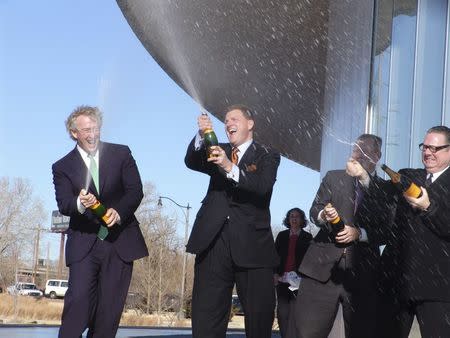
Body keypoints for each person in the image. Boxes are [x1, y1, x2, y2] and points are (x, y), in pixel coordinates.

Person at [185, 104, 281, 338]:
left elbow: (261, 187)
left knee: (259, 317)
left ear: (250, 124)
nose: (228, 123)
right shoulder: (218, 148)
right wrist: (201, 134)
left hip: (253, 245)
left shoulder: (267, 154)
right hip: (213, 240)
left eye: (234, 119)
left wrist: (228, 166)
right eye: (226, 120)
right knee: (206, 314)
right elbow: (192, 161)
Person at [52, 105, 148, 338]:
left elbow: (135, 191)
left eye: (95, 128)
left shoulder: (121, 153)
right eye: (86, 130)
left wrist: (119, 212)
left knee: (109, 312)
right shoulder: (62, 167)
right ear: (74, 133)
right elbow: (65, 204)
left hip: (119, 243)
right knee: (78, 304)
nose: (92, 134)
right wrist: (80, 202)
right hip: (85, 244)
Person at [295, 134, 391, 338]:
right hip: (321, 272)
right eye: (357, 149)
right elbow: (314, 210)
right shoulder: (334, 177)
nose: (359, 154)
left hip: (362, 275)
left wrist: (359, 233)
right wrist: (324, 215)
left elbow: (386, 230)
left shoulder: (384, 190)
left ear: (377, 155)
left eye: (365, 151)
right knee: (306, 332)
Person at [378, 126, 450, 337]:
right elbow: (380, 195)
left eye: (435, 148)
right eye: (425, 147)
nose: (428, 153)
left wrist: (429, 207)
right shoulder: (408, 176)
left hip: (437, 287)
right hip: (396, 282)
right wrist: (364, 176)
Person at [274, 208, 313, 338]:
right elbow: (274, 256)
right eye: (291, 216)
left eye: (297, 216)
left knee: (296, 314)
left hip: (299, 282)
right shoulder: (281, 236)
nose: (294, 219)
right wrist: (274, 274)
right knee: (282, 313)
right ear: (288, 219)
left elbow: (310, 260)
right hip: (282, 280)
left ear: (302, 220)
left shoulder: (307, 237)